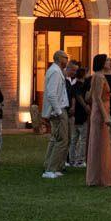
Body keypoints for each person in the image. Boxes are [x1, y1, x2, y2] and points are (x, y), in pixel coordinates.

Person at [85, 54, 111, 188]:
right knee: (100, 146)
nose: (109, 62)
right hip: (100, 113)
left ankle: (97, 177)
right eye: (107, 60)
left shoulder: (97, 76)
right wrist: (105, 116)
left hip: (100, 111)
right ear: (102, 63)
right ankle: (99, 178)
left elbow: (91, 95)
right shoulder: (99, 77)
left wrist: (109, 95)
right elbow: (97, 97)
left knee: (99, 144)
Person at [40, 49, 71, 179]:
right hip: (58, 110)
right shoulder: (55, 72)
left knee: (57, 139)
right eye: (65, 58)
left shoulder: (56, 71)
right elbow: (52, 94)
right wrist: (58, 111)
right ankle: (50, 169)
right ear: (59, 58)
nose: (67, 61)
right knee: (62, 140)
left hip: (59, 108)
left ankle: (52, 166)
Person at [67, 61, 90, 169]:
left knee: (73, 139)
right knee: (83, 139)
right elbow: (82, 98)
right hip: (83, 115)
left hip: (74, 116)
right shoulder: (84, 86)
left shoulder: (73, 86)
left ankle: (71, 160)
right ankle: (80, 160)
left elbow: (73, 98)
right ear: (84, 75)